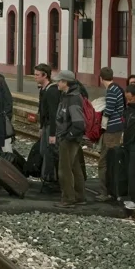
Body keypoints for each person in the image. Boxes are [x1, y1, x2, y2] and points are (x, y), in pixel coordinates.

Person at [49, 70, 87, 208]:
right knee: (75, 168)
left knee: (64, 169)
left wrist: (68, 136)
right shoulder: (67, 96)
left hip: (68, 139)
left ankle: (68, 198)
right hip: (70, 137)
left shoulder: (72, 99)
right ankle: (79, 196)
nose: (57, 83)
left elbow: (78, 123)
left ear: (65, 82)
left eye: (59, 81)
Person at [96, 67, 126, 202]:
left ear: (101, 78)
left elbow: (109, 110)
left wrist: (102, 125)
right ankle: (112, 190)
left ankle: (105, 191)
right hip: (117, 127)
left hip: (112, 129)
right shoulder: (117, 88)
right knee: (111, 159)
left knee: (104, 161)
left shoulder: (111, 91)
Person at [34, 63, 61, 189]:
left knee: (50, 152)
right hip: (46, 125)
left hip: (51, 126)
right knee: (44, 151)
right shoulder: (43, 90)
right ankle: (47, 176)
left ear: (45, 75)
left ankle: (51, 179)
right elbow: (42, 111)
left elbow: (53, 113)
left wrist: (52, 134)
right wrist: (41, 127)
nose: (35, 77)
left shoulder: (52, 91)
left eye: (37, 75)